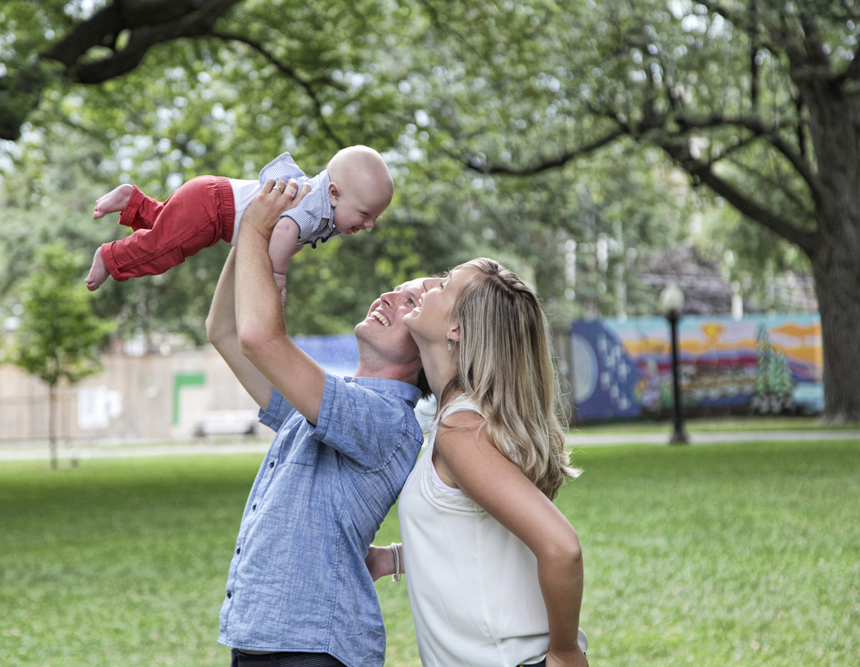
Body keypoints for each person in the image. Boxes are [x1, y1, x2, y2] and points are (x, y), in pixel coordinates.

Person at [205, 175, 429, 667]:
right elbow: (224, 331)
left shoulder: (385, 420)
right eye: (395, 290)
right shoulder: (326, 404)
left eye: (412, 301)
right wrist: (250, 222)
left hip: (313, 650)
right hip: (265, 638)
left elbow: (261, 338)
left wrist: (262, 235)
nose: (390, 297)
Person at [367, 258, 590, 667]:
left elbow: (562, 549)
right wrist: (397, 558)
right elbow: (478, 537)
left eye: (445, 283)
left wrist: (564, 652)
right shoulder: (458, 420)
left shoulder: (463, 433)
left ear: (457, 328)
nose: (429, 284)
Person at [85, 145, 394, 302]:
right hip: (213, 208)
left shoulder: (324, 204)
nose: (369, 225)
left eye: (375, 218)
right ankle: (111, 257)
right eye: (365, 214)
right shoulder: (313, 204)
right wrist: (277, 275)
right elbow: (285, 230)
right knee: (163, 249)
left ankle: (133, 201)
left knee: (163, 227)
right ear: (335, 193)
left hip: (210, 197)